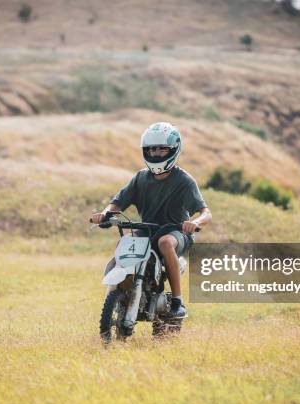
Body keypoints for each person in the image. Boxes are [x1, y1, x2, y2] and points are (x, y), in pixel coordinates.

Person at [91, 122, 212, 318]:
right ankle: (118, 292)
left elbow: (206, 212)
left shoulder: (184, 180)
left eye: (162, 149)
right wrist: (105, 213)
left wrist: (196, 223)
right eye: (151, 149)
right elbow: (118, 202)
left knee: (165, 243)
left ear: (173, 150)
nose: (156, 153)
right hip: (147, 230)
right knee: (124, 241)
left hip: (175, 232)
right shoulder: (140, 178)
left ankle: (177, 301)